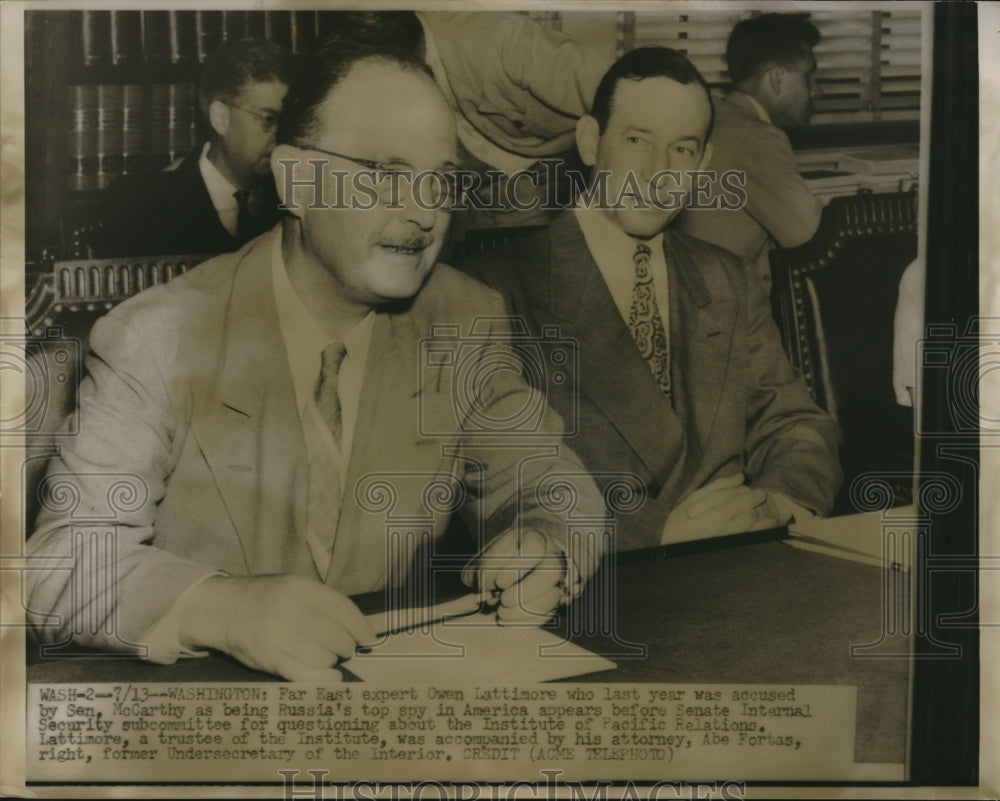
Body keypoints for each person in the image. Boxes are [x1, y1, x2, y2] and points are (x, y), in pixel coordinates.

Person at [26, 38, 605, 681]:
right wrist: (223, 608)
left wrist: (544, 538)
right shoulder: (159, 335)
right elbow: (59, 564)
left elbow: (549, 479)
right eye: (385, 173)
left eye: (440, 180)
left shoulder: (463, 319)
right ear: (295, 181)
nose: (421, 213)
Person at [461, 47, 841, 552]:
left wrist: (771, 506)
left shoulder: (725, 276)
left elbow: (797, 425)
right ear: (591, 142)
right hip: (596, 588)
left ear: (703, 164)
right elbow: (487, 490)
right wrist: (657, 536)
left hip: (742, 569)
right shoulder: (490, 290)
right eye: (638, 140)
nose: (658, 172)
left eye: (682, 150)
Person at [91, 38, 297, 257]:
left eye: (288, 121)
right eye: (268, 118)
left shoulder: (294, 202)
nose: (282, 134)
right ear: (221, 118)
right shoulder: (141, 207)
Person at [676, 13, 824, 291]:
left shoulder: (714, 114)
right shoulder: (758, 138)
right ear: (777, 79)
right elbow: (811, 238)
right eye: (810, 76)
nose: (817, 91)